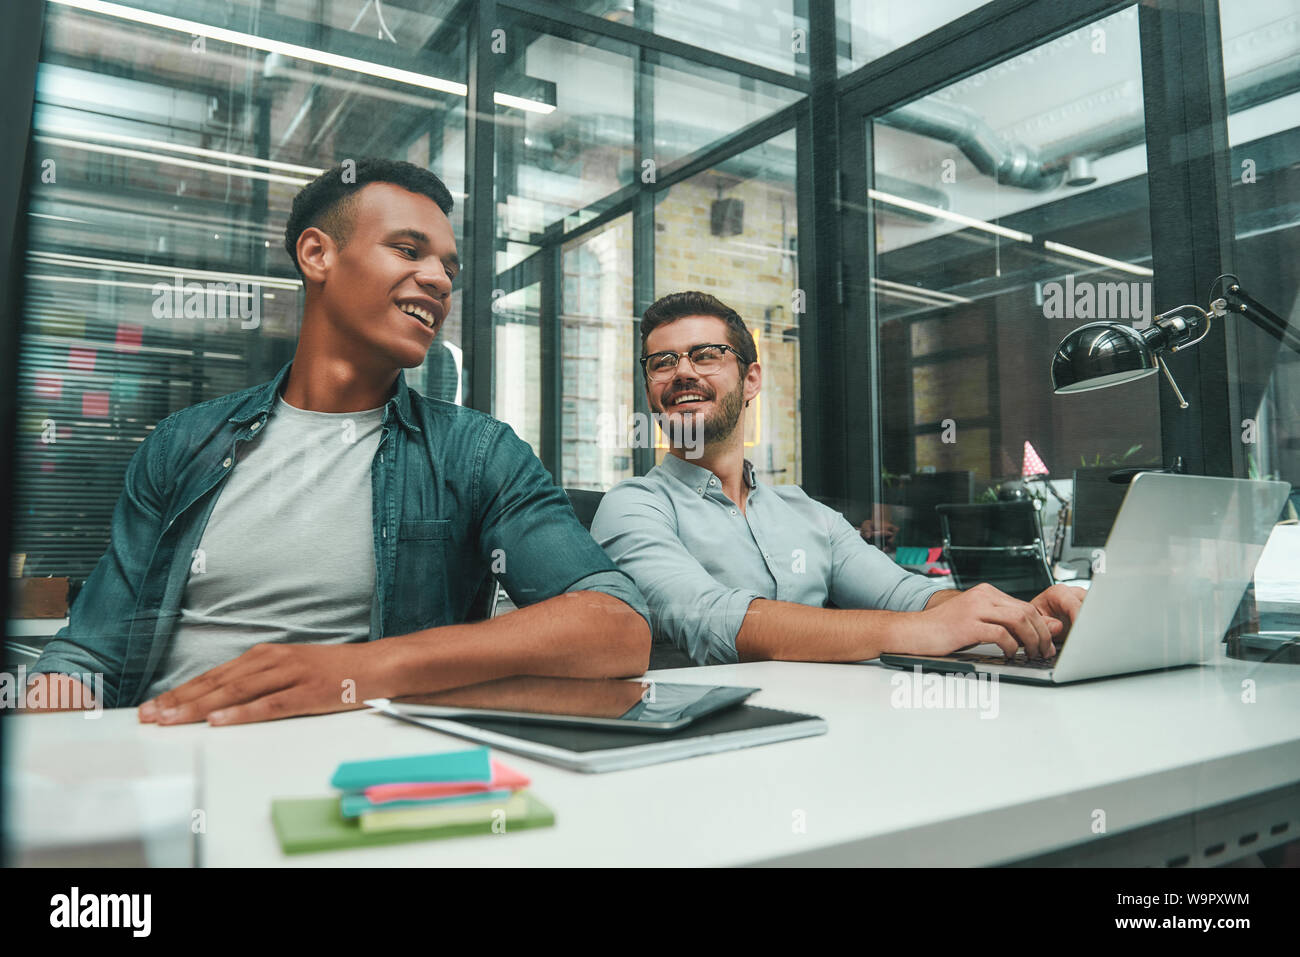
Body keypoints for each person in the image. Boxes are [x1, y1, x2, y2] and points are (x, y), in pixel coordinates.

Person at [27, 159, 650, 722]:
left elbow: (616, 627)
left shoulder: (476, 453)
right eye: (408, 250)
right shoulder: (182, 444)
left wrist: (361, 672)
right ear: (317, 255)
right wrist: (58, 740)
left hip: (355, 782)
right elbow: (87, 652)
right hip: (166, 764)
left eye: (448, 268)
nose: (438, 279)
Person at [591, 291, 1084, 666]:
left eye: (706, 355)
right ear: (652, 392)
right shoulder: (634, 507)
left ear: (752, 380)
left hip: (838, 732)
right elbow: (708, 619)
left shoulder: (805, 512)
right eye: (663, 362)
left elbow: (905, 595)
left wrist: (1017, 615)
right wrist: (914, 633)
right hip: (710, 748)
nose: (682, 372)